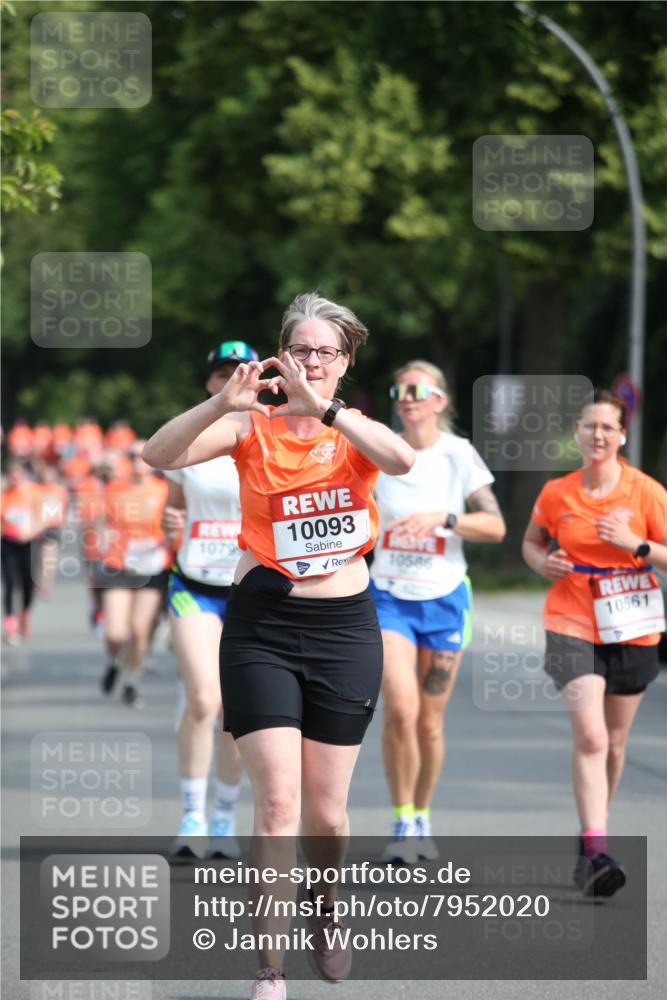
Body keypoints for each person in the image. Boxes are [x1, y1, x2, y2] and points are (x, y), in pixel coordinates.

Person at [143, 292, 414, 1000]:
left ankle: (324, 907)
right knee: (278, 807)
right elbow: (156, 453)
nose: (312, 362)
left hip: (344, 629)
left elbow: (405, 460)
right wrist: (221, 406)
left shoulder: (352, 428)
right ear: (280, 355)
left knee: (326, 814)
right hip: (261, 628)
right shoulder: (249, 429)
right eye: (300, 350)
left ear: (345, 363)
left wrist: (327, 413)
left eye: (326, 352)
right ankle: (269, 970)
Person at [522, 388, 667, 897]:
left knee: (616, 742)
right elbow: (532, 542)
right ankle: (598, 848)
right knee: (591, 737)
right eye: (589, 426)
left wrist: (638, 546)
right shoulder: (558, 492)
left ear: (622, 435)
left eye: (608, 427)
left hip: (633, 623)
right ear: (577, 434)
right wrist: (544, 563)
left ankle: (590, 842)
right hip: (572, 618)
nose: (598, 435)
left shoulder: (647, 492)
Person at [370, 360, 506, 863]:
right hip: (388, 597)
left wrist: (443, 519)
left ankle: (422, 814)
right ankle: (401, 817)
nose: (405, 396)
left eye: (416, 388)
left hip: (446, 598)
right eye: (398, 387)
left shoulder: (457, 455)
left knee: (429, 723)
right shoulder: (380, 449)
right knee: (400, 709)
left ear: (439, 401)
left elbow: (495, 528)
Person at [164, 341, 260, 862]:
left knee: (234, 712)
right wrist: (169, 521)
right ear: (209, 384)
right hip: (195, 586)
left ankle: (224, 814)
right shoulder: (191, 436)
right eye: (222, 374)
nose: (230, 380)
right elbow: (174, 509)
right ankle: (191, 814)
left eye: (238, 372)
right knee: (203, 697)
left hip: (249, 593)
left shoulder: (269, 434)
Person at [97, 443, 170, 707]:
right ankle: (115, 661)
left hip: (152, 566)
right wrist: (102, 538)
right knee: (115, 634)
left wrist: (168, 539)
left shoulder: (164, 490)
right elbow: (101, 521)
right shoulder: (115, 489)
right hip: (119, 563)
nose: (138, 462)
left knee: (139, 631)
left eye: (143, 457)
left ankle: (132, 680)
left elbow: (175, 522)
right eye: (133, 457)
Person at [1, 462, 44, 643]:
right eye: (11, 475)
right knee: (10, 583)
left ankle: (24, 612)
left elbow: (42, 518)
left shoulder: (33, 493)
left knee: (28, 583)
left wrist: (30, 532)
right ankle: (10, 624)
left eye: (18, 475)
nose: (14, 478)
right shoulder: (4, 495)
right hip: (9, 543)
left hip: (30, 543)